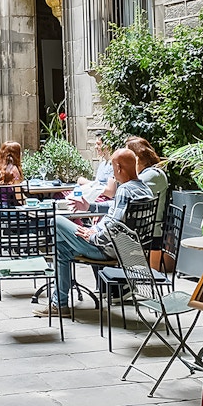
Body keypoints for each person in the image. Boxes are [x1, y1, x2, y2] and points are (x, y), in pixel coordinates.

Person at [34, 148, 153, 318]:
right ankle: (58, 304)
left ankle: (59, 303)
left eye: (112, 168)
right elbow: (115, 207)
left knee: (56, 221)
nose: (112, 173)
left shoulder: (124, 190)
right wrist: (89, 207)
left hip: (106, 248)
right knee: (62, 249)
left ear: (119, 168)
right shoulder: (143, 188)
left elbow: (115, 223)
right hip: (128, 248)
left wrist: (93, 236)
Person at [125, 136, 168, 245]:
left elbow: (126, 197)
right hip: (141, 233)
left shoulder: (152, 175)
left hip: (148, 235)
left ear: (137, 158)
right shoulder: (149, 173)